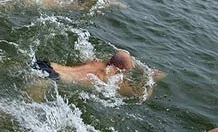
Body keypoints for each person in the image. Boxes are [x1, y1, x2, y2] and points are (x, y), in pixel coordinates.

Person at [33, 50, 165, 97]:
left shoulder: (96, 62)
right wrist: (151, 79)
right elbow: (139, 95)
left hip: (47, 65)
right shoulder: (113, 77)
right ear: (122, 70)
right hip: (51, 78)